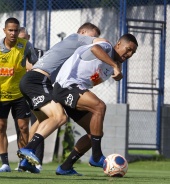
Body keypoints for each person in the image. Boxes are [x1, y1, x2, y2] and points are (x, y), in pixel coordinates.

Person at [16, 23, 111, 173]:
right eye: (92, 36)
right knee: (60, 117)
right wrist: (110, 49)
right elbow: (102, 43)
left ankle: (26, 162)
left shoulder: (74, 51)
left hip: (33, 80)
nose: (93, 39)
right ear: (83, 32)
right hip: (39, 79)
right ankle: (28, 149)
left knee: (43, 121)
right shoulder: (77, 38)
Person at [53, 33, 138, 175]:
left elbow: (111, 73)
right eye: (128, 49)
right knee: (99, 106)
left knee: (94, 134)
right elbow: (95, 49)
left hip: (76, 92)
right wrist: (114, 65)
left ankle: (65, 167)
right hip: (66, 86)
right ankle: (97, 156)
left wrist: (116, 67)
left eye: (133, 52)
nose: (129, 54)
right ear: (118, 44)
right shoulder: (106, 47)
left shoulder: (114, 63)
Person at [0, 17, 38, 173]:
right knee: (0, 127)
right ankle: (5, 163)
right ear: (4, 31)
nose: (13, 33)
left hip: (20, 94)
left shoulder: (26, 46)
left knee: (23, 128)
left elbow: (34, 64)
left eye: (16, 30)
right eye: (10, 30)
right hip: (0, 94)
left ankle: (23, 163)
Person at [16, 27, 45, 171]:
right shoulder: (13, 53)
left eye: (24, 38)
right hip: (18, 94)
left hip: (35, 93)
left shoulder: (39, 53)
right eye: (19, 38)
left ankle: (37, 161)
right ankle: (23, 162)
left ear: (28, 37)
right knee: (21, 128)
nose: (22, 40)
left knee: (39, 124)